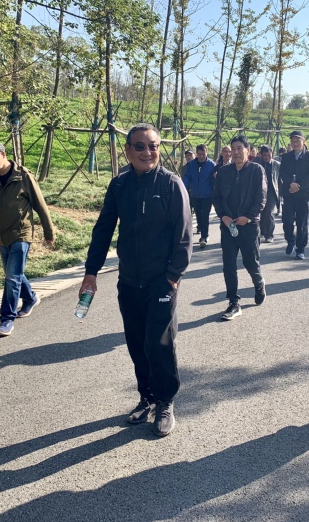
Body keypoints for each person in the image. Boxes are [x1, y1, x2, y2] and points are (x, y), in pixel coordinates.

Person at [81, 123, 192, 438]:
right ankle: (147, 397)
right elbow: (103, 229)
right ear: (127, 151)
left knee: (159, 342)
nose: (148, 152)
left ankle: (165, 401)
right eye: (140, 146)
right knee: (136, 342)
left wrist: (172, 277)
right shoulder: (120, 185)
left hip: (161, 280)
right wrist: (91, 271)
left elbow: (184, 235)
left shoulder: (171, 184)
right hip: (129, 280)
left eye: (153, 146)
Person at [0, 140, 56, 336]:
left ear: (3, 154)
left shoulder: (23, 176)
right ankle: (30, 298)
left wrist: (49, 232)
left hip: (21, 233)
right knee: (14, 274)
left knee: (12, 278)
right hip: (1, 235)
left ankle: (7, 318)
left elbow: (40, 205)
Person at [212, 135, 267, 321]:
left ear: (247, 150)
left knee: (250, 262)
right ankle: (233, 302)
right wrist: (223, 216)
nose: (235, 152)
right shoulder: (223, 172)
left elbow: (261, 197)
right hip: (228, 225)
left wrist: (248, 217)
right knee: (228, 265)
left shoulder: (256, 170)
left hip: (248, 226)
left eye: (239, 148)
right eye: (233, 149)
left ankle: (259, 283)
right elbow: (216, 197)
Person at [279, 130, 309, 260]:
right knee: (287, 221)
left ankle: (300, 249)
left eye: (298, 141)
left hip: (303, 194)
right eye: (293, 141)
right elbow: (283, 172)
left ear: (303, 142)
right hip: (289, 193)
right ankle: (291, 239)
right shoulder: (286, 157)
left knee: (302, 223)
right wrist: (291, 184)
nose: (295, 143)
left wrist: (298, 186)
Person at [183, 144, 216, 249]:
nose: (201, 156)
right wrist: (184, 188)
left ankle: (204, 237)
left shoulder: (211, 164)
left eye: (203, 154)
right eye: (199, 154)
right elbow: (187, 177)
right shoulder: (191, 164)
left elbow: (215, 179)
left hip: (207, 195)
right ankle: (201, 228)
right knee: (198, 215)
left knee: (205, 215)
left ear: (207, 153)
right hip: (195, 194)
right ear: (196, 154)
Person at [258, 145, 280, 243]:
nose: (267, 157)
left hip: (272, 192)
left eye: (269, 155)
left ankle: (269, 234)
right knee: (261, 212)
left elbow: (280, 179)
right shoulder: (256, 164)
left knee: (269, 213)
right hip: (259, 192)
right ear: (261, 155)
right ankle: (262, 231)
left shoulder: (277, 165)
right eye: (265, 155)